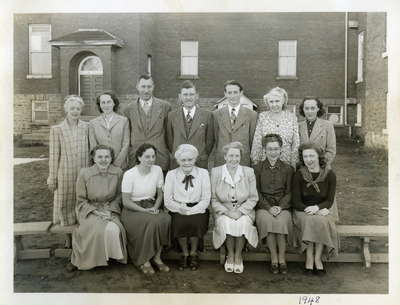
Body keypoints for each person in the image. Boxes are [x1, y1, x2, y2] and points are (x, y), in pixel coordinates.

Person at [70, 145, 127, 270]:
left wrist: (110, 210)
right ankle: (93, 259)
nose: (103, 160)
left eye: (107, 156)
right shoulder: (85, 173)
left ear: (111, 158)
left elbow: (119, 196)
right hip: (90, 210)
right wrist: (96, 212)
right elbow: (81, 200)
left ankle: (111, 256)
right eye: (100, 157)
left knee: (114, 229)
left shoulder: (118, 172)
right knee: (96, 230)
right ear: (94, 158)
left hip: (110, 208)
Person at [121, 143, 171, 275]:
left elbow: (160, 194)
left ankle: (157, 257)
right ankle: (144, 260)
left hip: (151, 205)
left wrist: (155, 207)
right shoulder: (129, 174)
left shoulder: (158, 170)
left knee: (165, 219)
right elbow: (126, 201)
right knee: (151, 222)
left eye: (153, 156)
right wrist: (143, 211)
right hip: (133, 209)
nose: (151, 159)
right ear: (139, 157)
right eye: (147, 156)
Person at [211, 142, 259, 274]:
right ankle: (230, 254)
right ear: (225, 156)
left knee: (242, 222)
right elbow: (213, 199)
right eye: (230, 156)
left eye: (237, 156)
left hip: (244, 210)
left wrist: (240, 211)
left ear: (240, 157)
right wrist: (227, 212)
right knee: (227, 222)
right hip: (224, 211)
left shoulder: (248, 172)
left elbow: (253, 197)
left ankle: (238, 255)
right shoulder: (216, 172)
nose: (234, 159)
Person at [292, 143, 338, 275]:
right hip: (302, 210)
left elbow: (329, 200)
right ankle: (309, 258)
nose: (308, 159)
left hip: (321, 209)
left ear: (319, 156)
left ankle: (317, 259)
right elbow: (296, 201)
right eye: (305, 156)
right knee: (311, 221)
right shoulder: (299, 175)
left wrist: (318, 208)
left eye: (311, 155)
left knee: (321, 221)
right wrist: (309, 209)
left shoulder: (330, 175)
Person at [164, 144, 211, 271]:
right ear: (178, 161)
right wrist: (180, 208)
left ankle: (194, 253)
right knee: (180, 221)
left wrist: (192, 210)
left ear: (195, 159)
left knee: (196, 220)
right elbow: (167, 200)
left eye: (190, 160)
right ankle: (184, 253)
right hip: (178, 208)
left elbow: (206, 199)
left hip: (198, 207)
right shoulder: (171, 174)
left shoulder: (203, 173)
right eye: (183, 160)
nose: (187, 163)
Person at [47, 95, 90, 226]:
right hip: (65, 172)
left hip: (83, 170)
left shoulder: (87, 127)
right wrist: (52, 177)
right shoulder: (57, 130)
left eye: (78, 108)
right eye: (72, 108)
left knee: (82, 200)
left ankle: (81, 233)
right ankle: (67, 236)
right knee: (65, 202)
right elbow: (54, 156)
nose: (75, 111)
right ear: (66, 110)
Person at [254, 134, 293, 274]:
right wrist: (268, 208)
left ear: (281, 149)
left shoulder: (288, 169)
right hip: (264, 206)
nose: (273, 152)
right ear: (264, 150)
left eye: (276, 148)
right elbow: (256, 192)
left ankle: (282, 258)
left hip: (283, 206)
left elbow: (290, 192)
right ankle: (274, 258)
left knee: (281, 221)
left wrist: (280, 207)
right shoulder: (257, 168)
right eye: (270, 149)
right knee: (267, 220)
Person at [123, 75, 171, 173]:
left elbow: (169, 134)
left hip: (159, 157)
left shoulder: (165, 107)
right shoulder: (128, 109)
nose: (146, 90)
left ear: (153, 87)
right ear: (137, 87)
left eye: (149, 87)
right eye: (143, 86)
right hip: (136, 157)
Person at [167, 80, 214, 169]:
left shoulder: (207, 115)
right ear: (180, 96)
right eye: (185, 95)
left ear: (197, 96)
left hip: (199, 162)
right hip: (178, 163)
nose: (188, 98)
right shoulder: (171, 116)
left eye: (191, 94)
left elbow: (209, 142)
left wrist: (201, 154)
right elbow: (170, 141)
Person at [251, 87, 299, 168]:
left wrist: (293, 163)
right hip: (266, 162)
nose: (274, 104)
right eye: (271, 102)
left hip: (286, 162)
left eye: (277, 101)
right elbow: (257, 140)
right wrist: (256, 162)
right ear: (267, 103)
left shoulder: (291, 117)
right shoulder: (263, 117)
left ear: (283, 101)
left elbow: (296, 142)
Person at [213, 80, 257, 167]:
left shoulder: (252, 115)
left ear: (241, 93)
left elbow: (252, 140)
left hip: (242, 159)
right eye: (229, 93)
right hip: (222, 159)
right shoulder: (216, 114)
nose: (232, 96)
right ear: (225, 94)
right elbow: (215, 138)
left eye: (235, 92)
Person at [89, 91, 130, 169]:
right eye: (103, 102)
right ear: (99, 105)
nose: (106, 105)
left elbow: (126, 144)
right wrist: (102, 163)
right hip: (101, 166)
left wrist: (116, 164)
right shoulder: (93, 123)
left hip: (120, 166)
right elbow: (93, 146)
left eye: (109, 102)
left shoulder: (124, 121)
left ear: (114, 103)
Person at [298, 96, 336, 166]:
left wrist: (319, 165)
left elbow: (331, 151)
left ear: (318, 108)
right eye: (306, 108)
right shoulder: (298, 126)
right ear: (303, 109)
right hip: (302, 168)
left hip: (321, 168)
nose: (309, 111)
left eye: (312, 108)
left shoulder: (327, 125)